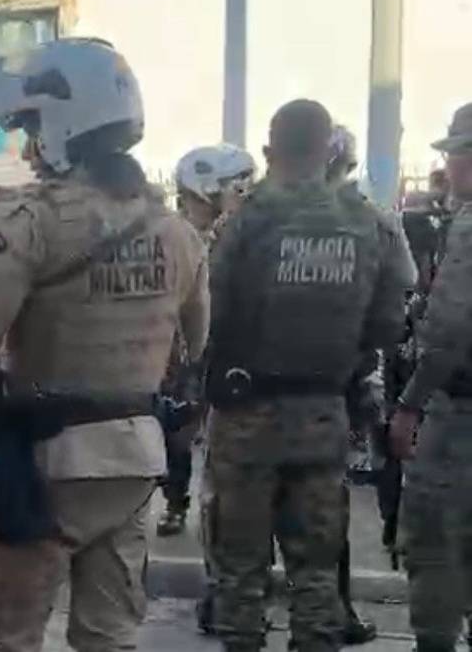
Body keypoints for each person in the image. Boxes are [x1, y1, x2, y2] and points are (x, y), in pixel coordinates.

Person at [0, 38, 210, 652]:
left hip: (40, 463)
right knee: (110, 635)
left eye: (31, 128)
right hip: (134, 459)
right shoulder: (176, 231)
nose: (27, 147)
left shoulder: (29, 222)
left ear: (60, 126)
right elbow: (196, 346)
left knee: (9, 636)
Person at [206, 100, 409, 652]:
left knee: (239, 566)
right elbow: (390, 321)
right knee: (316, 567)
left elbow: (209, 314)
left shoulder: (246, 220)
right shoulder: (369, 223)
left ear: (270, 150)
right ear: (328, 151)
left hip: (246, 415)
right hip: (324, 414)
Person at [324, 125, 417, 646]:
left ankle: (232, 603)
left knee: (255, 494)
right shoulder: (376, 221)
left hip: (259, 387)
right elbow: (400, 299)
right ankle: (334, 610)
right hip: (340, 384)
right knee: (326, 499)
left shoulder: (259, 216)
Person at [391, 104, 472, 652]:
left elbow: (450, 329)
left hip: (462, 414)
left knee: (437, 540)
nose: (450, 168)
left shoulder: (470, 226)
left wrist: (410, 403)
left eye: (458, 154)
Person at [168, 144, 256, 634]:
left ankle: (228, 597)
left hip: (231, 382)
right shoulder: (187, 237)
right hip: (204, 374)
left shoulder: (234, 237)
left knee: (227, 495)